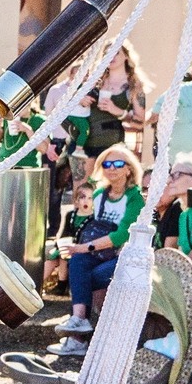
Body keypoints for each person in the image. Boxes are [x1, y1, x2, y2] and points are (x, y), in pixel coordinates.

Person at [49, 145, 145, 357]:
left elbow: (122, 236)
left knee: (91, 275)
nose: (111, 168)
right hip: (99, 253)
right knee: (77, 263)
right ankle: (80, 322)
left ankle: (80, 335)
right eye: (106, 164)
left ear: (129, 169)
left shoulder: (135, 198)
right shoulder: (100, 194)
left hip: (124, 254)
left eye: (118, 164)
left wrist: (82, 247)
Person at [77, 41, 151, 158]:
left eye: (116, 53)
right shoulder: (94, 80)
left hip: (111, 144)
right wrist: (80, 100)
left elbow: (140, 122)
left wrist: (118, 111)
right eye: (107, 54)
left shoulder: (134, 85)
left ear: (126, 56)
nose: (111, 56)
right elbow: (68, 105)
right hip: (81, 142)